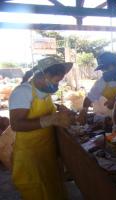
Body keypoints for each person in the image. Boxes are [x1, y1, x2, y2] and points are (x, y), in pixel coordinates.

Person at [9, 56, 74, 200]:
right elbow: (16, 124)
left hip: (46, 149)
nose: (58, 84)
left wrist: (58, 110)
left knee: (52, 189)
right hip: (30, 154)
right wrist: (50, 119)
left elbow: (41, 110)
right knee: (37, 191)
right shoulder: (22, 92)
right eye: (56, 80)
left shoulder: (44, 92)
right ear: (44, 76)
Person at [78, 52, 116, 124]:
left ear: (115, 65)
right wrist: (84, 110)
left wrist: (115, 101)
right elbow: (89, 97)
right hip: (115, 119)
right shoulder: (102, 82)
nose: (103, 71)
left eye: (105, 68)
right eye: (102, 69)